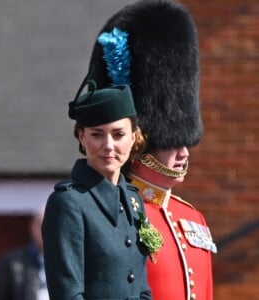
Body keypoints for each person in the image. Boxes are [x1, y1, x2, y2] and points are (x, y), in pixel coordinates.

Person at [88, 0, 217, 300]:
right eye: (171, 141)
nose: (184, 152)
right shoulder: (108, 212)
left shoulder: (193, 219)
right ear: (141, 140)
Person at [41, 76, 155, 299]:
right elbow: (68, 295)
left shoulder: (133, 200)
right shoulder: (69, 203)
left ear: (133, 138)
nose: (109, 146)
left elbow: (142, 289)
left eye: (118, 134)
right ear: (82, 137)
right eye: (97, 134)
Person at [0, 208, 48, 300]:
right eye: (41, 225)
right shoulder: (11, 263)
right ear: (33, 227)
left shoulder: (65, 263)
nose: (45, 231)